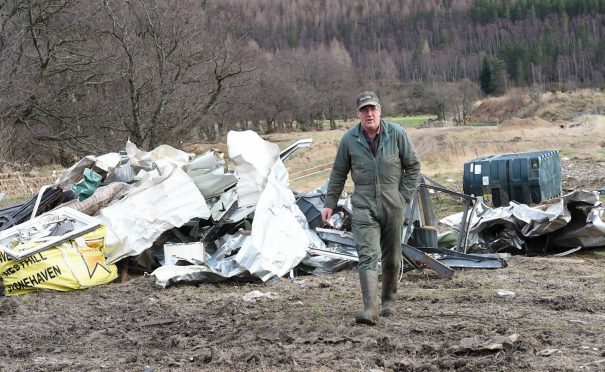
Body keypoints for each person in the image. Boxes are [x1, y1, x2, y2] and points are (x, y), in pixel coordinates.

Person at [321, 91, 421, 325]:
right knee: (367, 255)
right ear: (358, 114)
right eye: (364, 110)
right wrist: (329, 204)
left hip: (392, 204)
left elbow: (413, 166)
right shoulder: (349, 140)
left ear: (380, 111)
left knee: (392, 258)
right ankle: (370, 309)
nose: (369, 114)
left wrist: (403, 196)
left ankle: (388, 301)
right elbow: (338, 174)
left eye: (372, 109)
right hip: (364, 205)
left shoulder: (397, 134)